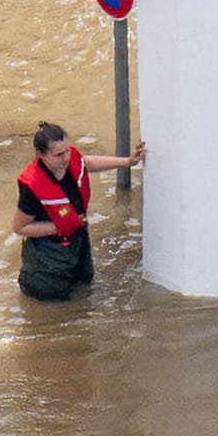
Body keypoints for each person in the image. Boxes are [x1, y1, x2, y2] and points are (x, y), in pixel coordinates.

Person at [11, 121, 145, 301]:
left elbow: (86, 163)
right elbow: (20, 227)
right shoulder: (33, 187)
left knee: (84, 292)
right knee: (53, 307)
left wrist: (128, 161)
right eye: (58, 155)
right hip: (47, 261)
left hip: (77, 244)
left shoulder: (71, 161)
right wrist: (58, 227)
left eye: (67, 150)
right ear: (41, 155)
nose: (66, 158)